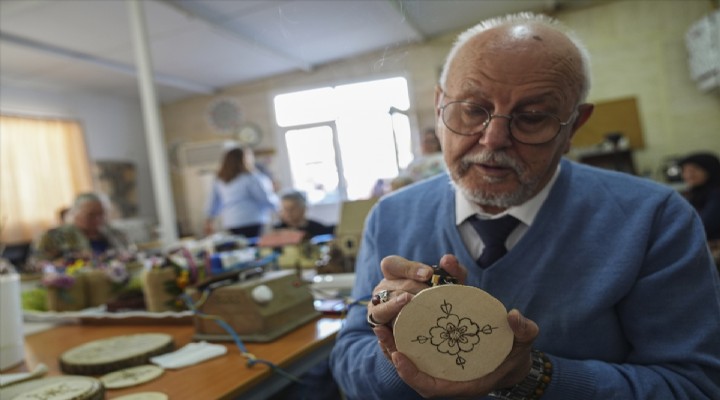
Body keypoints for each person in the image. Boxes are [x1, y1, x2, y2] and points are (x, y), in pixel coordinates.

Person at [329, 12, 720, 400]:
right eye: (472, 109)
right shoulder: (391, 216)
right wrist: (397, 350)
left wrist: (529, 376)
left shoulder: (654, 219)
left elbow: (693, 386)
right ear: (438, 105)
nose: (494, 138)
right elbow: (349, 360)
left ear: (575, 125)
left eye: (532, 117)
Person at [32, 192, 133, 263]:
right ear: (75, 213)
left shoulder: (116, 234)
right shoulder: (53, 237)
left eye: (102, 214)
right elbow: (36, 265)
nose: (98, 219)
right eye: (91, 215)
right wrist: (68, 261)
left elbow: (132, 255)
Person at [205, 147, 279, 238]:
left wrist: (209, 221)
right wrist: (279, 207)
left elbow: (213, 203)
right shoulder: (252, 177)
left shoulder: (220, 180)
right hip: (253, 220)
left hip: (231, 222)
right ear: (245, 159)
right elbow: (265, 199)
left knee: (239, 245)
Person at [679, 152, 720, 240]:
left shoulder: (717, 193)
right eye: (685, 171)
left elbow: (703, 225)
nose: (688, 175)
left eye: (694, 170)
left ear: (710, 170)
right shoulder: (693, 192)